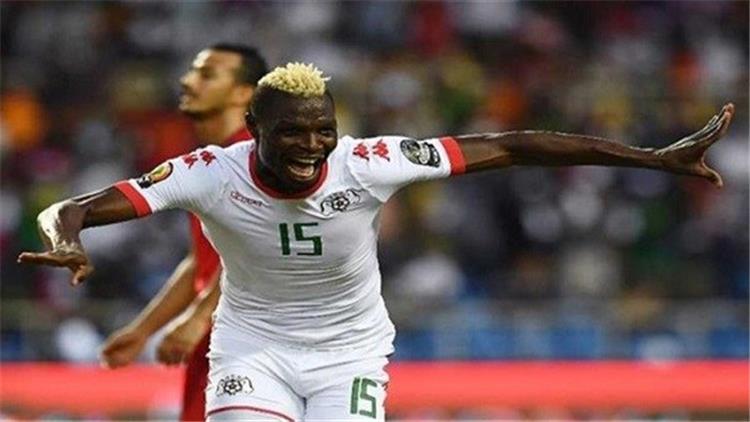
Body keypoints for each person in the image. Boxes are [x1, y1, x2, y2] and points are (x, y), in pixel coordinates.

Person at [19, 62, 734, 421]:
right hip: (251, 350)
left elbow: (513, 146)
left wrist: (650, 158)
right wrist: (67, 238)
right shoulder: (209, 173)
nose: (312, 145)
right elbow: (73, 208)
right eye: (292, 132)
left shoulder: (369, 162)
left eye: (322, 130)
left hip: (350, 355)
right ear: (253, 132)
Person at [97, 43, 268, 421]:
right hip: (216, 338)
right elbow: (200, 261)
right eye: (192, 71)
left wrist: (199, 317)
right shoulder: (209, 161)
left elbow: (260, 251)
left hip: (251, 341)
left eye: (207, 74)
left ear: (244, 93)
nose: (188, 81)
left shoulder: (255, 160)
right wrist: (143, 330)